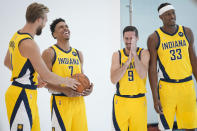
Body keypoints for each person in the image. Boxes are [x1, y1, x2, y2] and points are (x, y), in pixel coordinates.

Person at [4, 3, 79, 131]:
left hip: (25, 92)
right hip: (22, 94)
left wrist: (28, 77)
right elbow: (46, 75)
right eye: (45, 21)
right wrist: (67, 81)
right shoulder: (30, 43)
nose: (44, 25)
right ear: (39, 19)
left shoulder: (16, 36)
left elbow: (7, 62)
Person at [147, 3, 197, 131]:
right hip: (167, 88)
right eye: (168, 14)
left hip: (187, 86)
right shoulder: (154, 38)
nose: (172, 16)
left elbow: (194, 61)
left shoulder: (187, 32)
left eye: (173, 13)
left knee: (191, 126)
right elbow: (152, 69)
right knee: (165, 128)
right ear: (161, 17)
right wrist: (155, 98)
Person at [41, 18, 93, 131]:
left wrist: (87, 89)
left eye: (66, 26)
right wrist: (64, 90)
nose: (65, 28)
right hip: (60, 102)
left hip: (79, 103)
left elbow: (82, 77)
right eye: (61, 27)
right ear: (54, 34)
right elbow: (42, 81)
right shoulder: (49, 52)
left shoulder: (78, 53)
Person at [110, 26, 150, 131]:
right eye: (126, 38)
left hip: (139, 101)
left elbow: (142, 74)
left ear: (137, 38)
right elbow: (113, 79)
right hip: (121, 101)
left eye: (131, 38)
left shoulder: (144, 53)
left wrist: (134, 55)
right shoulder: (117, 55)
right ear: (123, 38)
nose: (129, 41)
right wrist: (126, 63)